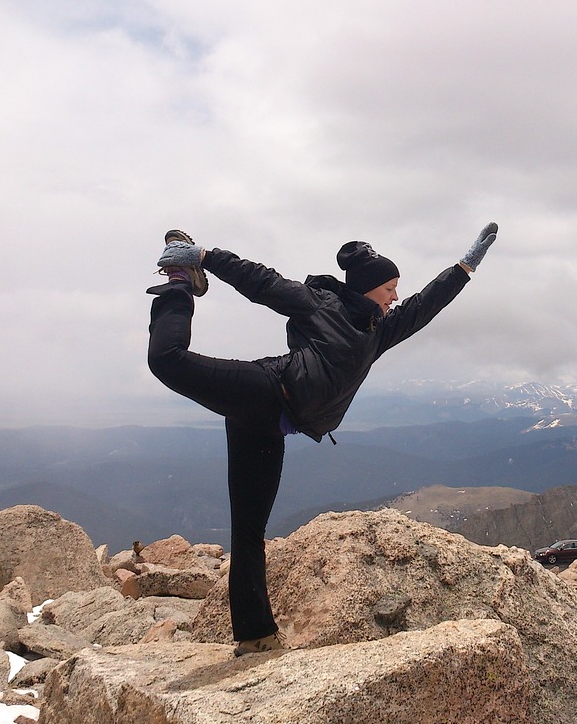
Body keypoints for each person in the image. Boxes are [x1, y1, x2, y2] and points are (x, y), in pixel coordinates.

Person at [145, 222, 498, 655]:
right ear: (370, 287)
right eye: (390, 287)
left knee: (250, 528)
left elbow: (427, 304)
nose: (396, 297)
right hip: (266, 388)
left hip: (270, 423)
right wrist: (203, 258)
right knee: (167, 360)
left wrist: (465, 267)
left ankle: (256, 635)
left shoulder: (379, 330)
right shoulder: (319, 304)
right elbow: (262, 281)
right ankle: (180, 284)